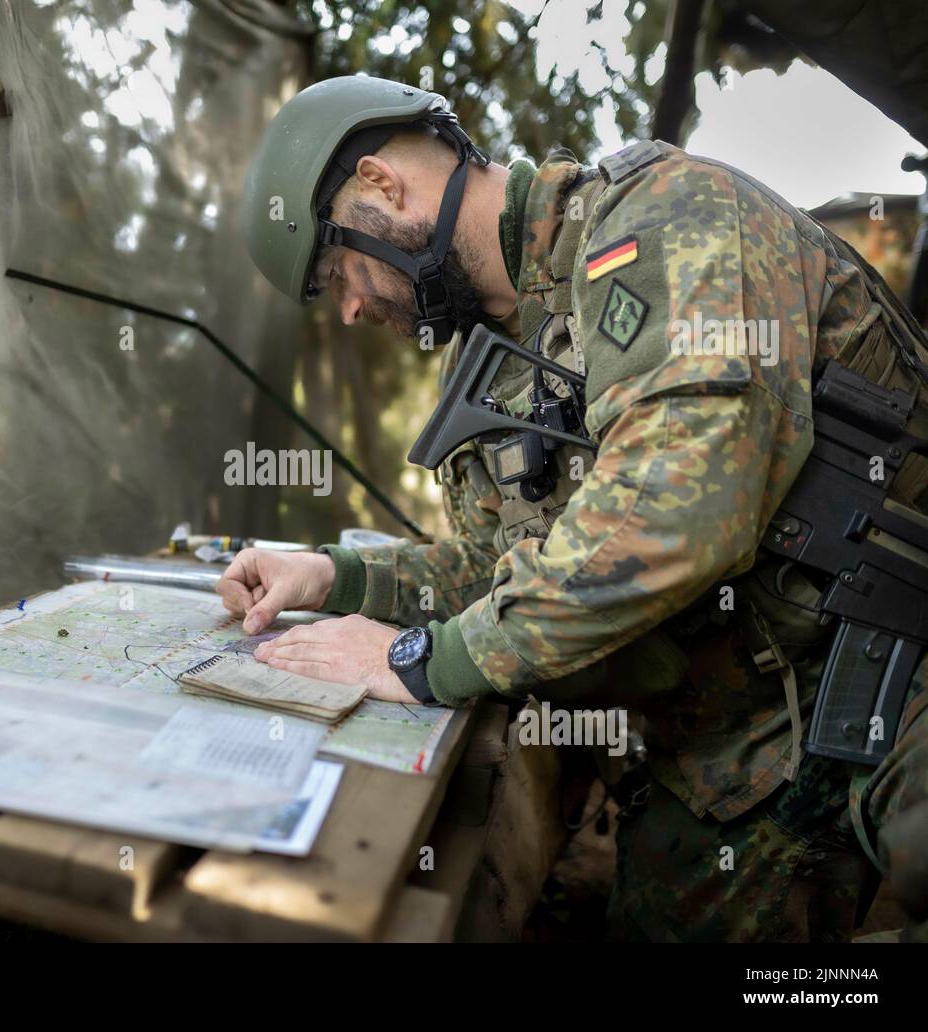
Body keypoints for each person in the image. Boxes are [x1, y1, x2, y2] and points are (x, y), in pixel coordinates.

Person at [217, 75, 928, 941]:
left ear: (379, 184)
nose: (354, 307)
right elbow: (498, 566)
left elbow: (679, 508)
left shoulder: (673, 216)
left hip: (902, 661)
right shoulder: (486, 364)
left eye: (339, 273)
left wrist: (418, 661)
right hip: (737, 748)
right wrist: (341, 574)